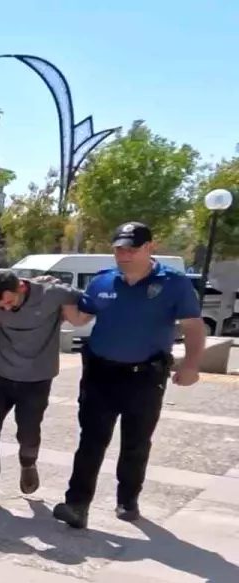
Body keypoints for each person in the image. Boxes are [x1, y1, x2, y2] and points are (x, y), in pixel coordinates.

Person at [53, 222, 206, 529]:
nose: (123, 255)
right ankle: (77, 504)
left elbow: (193, 326)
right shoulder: (102, 281)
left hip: (145, 376)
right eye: (119, 250)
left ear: (150, 247)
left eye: (131, 249)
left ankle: (127, 500)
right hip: (100, 373)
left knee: (136, 442)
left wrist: (191, 364)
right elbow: (81, 318)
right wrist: (59, 297)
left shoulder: (173, 283)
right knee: (91, 440)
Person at [0, 269, 86, 506]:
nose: (5, 309)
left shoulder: (52, 294)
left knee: (27, 432)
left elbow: (85, 302)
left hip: (36, 378)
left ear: (22, 287)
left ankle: (28, 463)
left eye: (9, 302)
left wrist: (68, 312)